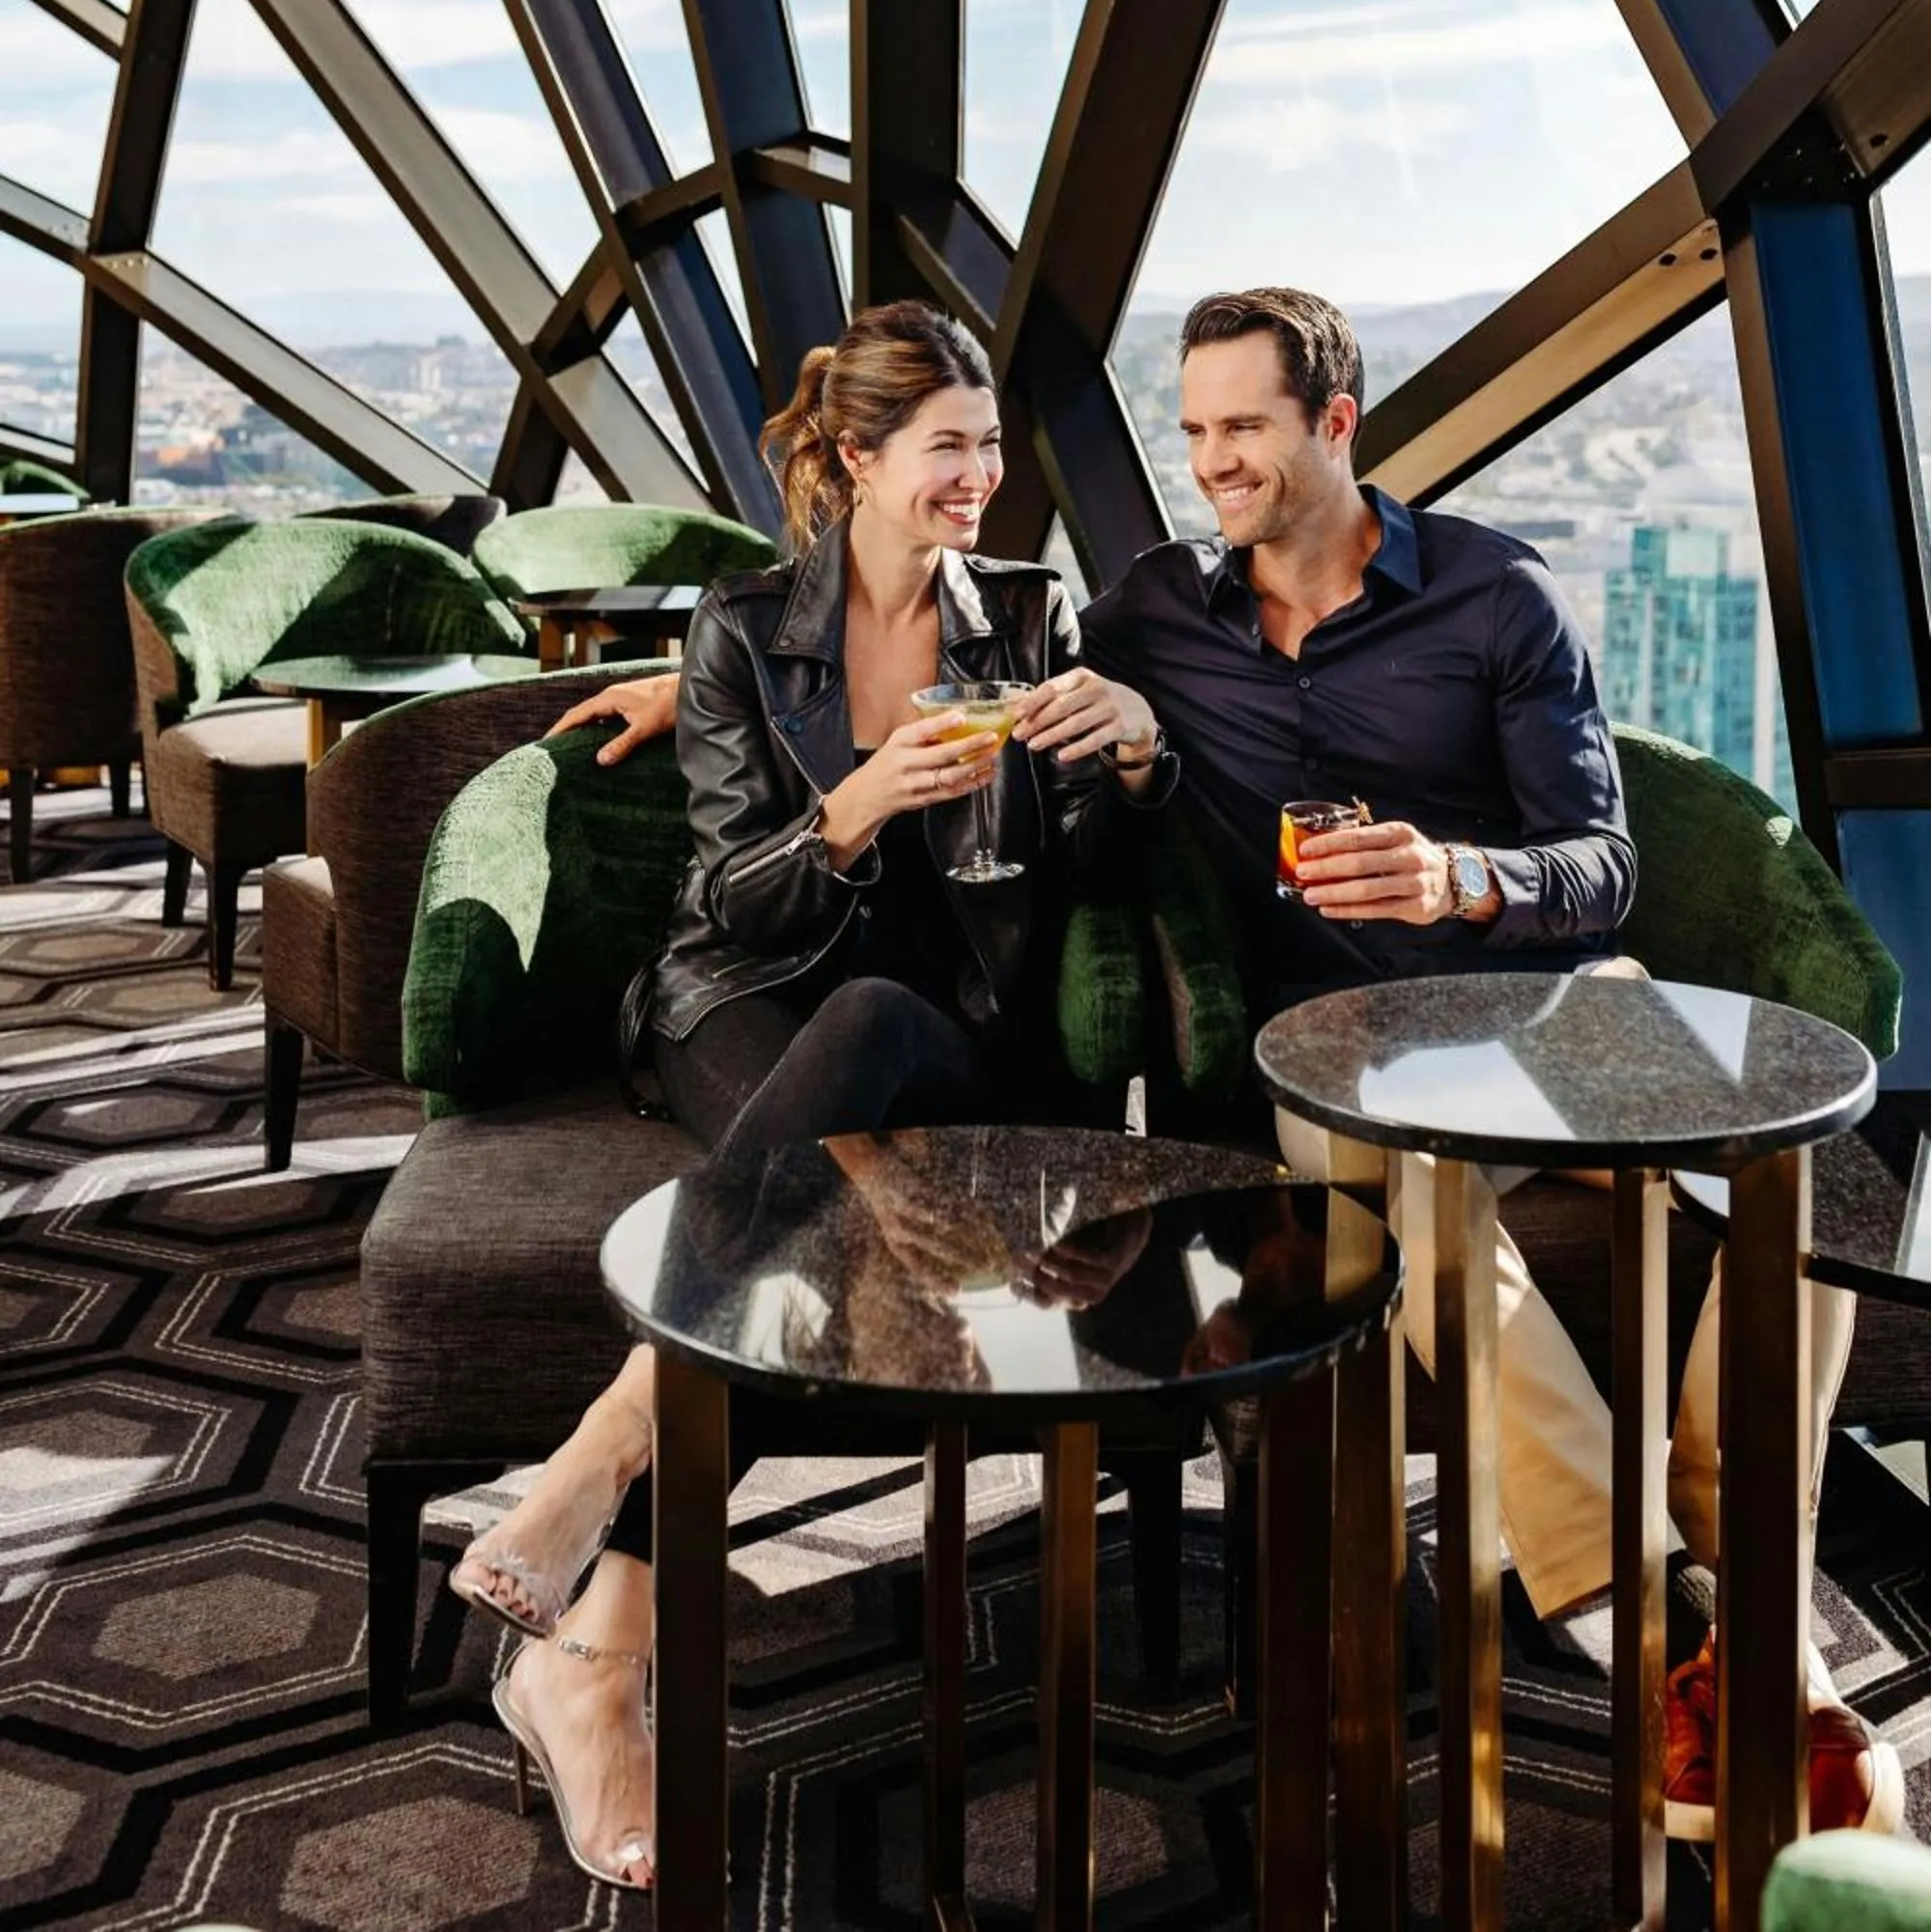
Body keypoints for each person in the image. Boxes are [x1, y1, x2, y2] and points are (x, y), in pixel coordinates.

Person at [562, 283, 1900, 1837]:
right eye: (1193, 431)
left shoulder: (1500, 600)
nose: (1211, 464)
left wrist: (1463, 878)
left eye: (1243, 429)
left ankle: (1740, 1598)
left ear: (1335, 425)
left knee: (1798, 1171)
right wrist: (697, 689)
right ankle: (1662, 1625)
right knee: (1397, 1177)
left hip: (1550, 1003)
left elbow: (1603, 862)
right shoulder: (1155, 611)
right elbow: (917, 637)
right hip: (1352, 1058)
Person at [446, 299, 1172, 1890]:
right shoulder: (739, 628)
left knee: (867, 1045)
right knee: (828, 1121)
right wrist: (850, 809)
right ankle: (607, 1639)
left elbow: (1094, 876)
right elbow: (730, 905)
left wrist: (1127, 757)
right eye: (948, 447)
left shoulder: (1034, 621)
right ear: (855, 458)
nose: (981, 475)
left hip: (950, 1035)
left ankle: (604, 1471)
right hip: (740, 1008)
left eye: (991, 444)